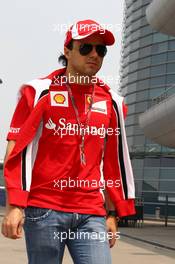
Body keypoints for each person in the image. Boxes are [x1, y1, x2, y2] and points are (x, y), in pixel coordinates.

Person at [1, 19, 135, 264]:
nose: (94, 54)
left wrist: (112, 213)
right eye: (86, 48)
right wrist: (14, 205)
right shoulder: (39, 91)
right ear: (67, 50)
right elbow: (16, 148)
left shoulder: (113, 102)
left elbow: (113, 160)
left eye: (101, 50)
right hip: (44, 209)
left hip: (91, 212)